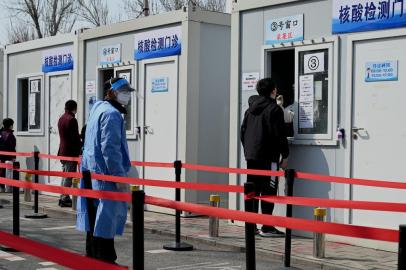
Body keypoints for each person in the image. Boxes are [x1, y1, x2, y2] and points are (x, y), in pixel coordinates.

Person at [76, 77, 133, 264]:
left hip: (92, 172)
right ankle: (105, 260)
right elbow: (110, 148)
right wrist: (119, 178)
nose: (127, 95)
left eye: (128, 91)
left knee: (94, 218)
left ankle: (92, 256)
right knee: (106, 219)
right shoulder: (112, 114)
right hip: (105, 175)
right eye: (123, 91)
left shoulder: (97, 109)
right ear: (111, 92)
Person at [240, 78, 289, 237]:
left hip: (252, 156)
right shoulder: (274, 109)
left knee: (253, 189)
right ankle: (267, 227)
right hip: (269, 157)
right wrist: (285, 155)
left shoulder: (250, 109)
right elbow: (280, 136)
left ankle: (251, 225)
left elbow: (243, 132)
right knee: (269, 190)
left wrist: (249, 150)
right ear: (273, 91)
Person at [57, 100, 82, 207]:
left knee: (65, 174)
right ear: (74, 108)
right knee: (69, 176)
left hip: (62, 151)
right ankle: (65, 198)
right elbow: (74, 138)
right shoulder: (72, 119)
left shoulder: (61, 118)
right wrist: (81, 144)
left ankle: (62, 196)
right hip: (70, 152)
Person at [0, 118, 16, 193]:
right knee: (8, 173)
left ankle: (2, 187)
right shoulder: (10, 135)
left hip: (1, 157)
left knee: (1, 172)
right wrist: (13, 157)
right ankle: (8, 188)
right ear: (10, 126)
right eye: (12, 125)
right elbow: (12, 147)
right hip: (8, 157)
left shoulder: (0, 133)